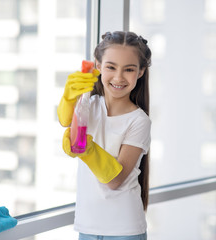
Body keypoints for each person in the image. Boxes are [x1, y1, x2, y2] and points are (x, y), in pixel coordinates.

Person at [57, 31, 152, 240]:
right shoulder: (88, 105)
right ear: (98, 66)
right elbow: (65, 121)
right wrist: (68, 98)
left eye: (129, 69)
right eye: (111, 67)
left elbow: (115, 180)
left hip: (125, 230)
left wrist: (86, 150)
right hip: (87, 226)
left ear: (141, 72)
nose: (118, 77)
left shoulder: (139, 121)